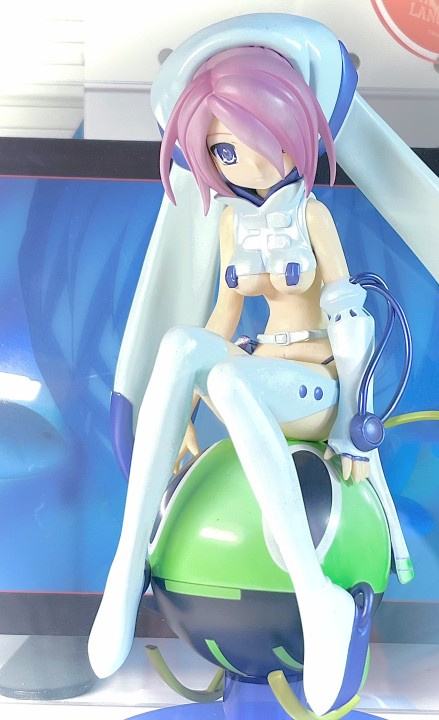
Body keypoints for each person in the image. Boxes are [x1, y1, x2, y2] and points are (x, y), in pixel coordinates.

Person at [88, 42, 412, 716]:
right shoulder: (233, 222)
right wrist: (181, 397)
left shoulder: (313, 217)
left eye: (261, 140)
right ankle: (127, 564)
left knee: (233, 387)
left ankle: (314, 593)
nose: (247, 162)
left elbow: (348, 319)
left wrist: (356, 427)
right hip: (258, 369)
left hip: (315, 388)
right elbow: (223, 314)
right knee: (181, 345)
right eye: (225, 151)